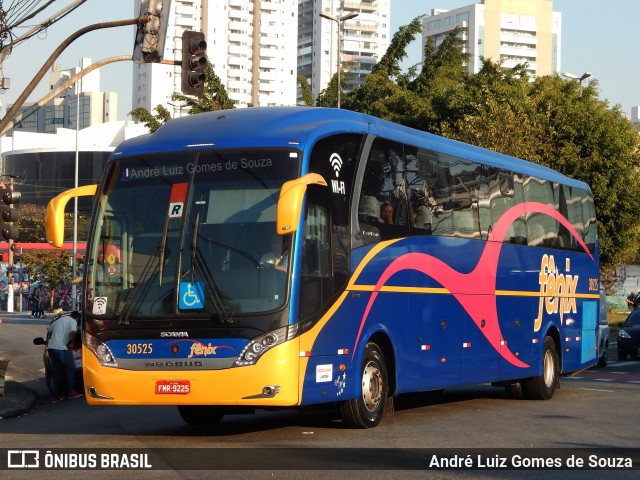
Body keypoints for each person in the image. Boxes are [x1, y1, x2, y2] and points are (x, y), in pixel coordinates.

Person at [46, 311, 83, 402]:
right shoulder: (73, 321)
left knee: (54, 372)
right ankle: (71, 392)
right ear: (77, 318)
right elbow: (73, 332)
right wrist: (72, 344)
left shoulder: (59, 320)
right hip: (60, 348)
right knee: (71, 368)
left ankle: (55, 396)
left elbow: (49, 329)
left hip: (51, 348)